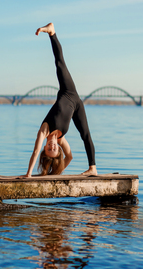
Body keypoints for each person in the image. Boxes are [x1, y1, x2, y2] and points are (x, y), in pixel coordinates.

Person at [22, 23, 98, 178]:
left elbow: (36, 152)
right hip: (77, 104)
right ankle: (93, 168)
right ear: (58, 149)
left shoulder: (44, 131)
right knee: (86, 135)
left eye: (48, 149)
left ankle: (52, 32)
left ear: (45, 148)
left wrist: (28, 174)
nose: (51, 146)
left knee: (60, 64)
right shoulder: (61, 139)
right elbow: (69, 157)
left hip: (67, 91)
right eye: (54, 149)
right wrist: (58, 172)